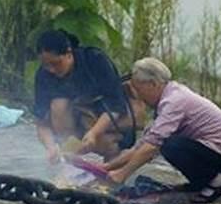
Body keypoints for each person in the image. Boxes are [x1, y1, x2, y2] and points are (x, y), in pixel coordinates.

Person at [105, 58, 221, 204]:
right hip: (210, 149)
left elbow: (152, 146)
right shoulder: (168, 98)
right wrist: (108, 167)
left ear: (152, 84)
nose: (139, 97)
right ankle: (201, 182)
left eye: (139, 90)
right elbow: (143, 144)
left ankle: (218, 183)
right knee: (169, 144)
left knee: (171, 146)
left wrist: (122, 174)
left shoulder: (174, 101)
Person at [33, 29, 146, 163]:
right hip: (73, 123)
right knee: (59, 104)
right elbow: (41, 122)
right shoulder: (43, 75)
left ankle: (111, 162)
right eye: (46, 65)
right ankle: (69, 155)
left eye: (56, 63)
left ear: (69, 53)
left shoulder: (94, 60)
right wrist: (50, 146)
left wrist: (94, 133)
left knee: (107, 144)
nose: (51, 70)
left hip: (104, 118)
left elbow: (115, 105)